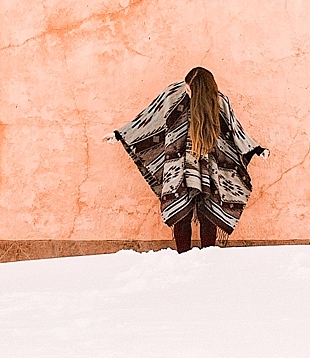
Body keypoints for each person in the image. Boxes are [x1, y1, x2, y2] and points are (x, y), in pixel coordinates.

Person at [112, 66, 266, 252]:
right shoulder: (172, 95)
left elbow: (234, 130)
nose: (186, 91)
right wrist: (120, 134)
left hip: (210, 164)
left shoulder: (218, 101)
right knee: (180, 212)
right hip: (178, 165)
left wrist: (255, 149)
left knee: (207, 211)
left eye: (189, 89)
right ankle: (182, 257)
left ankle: (208, 257)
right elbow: (149, 118)